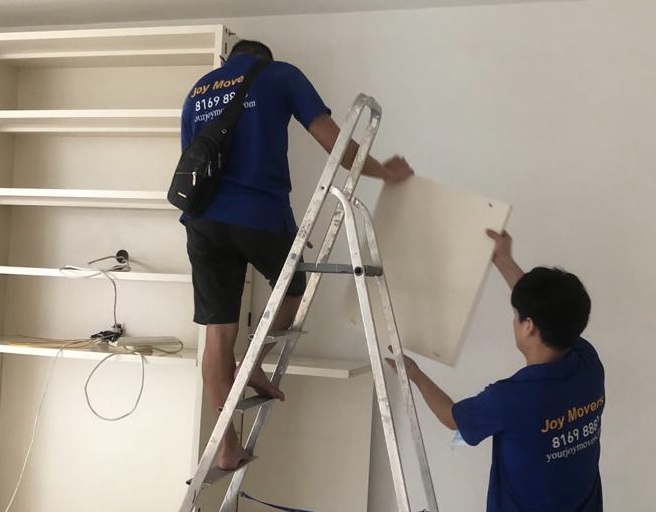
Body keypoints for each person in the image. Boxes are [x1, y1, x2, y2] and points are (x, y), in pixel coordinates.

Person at [181, 40, 414, 470]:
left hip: (203, 222)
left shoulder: (199, 90)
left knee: (217, 335)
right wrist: (386, 172)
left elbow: (192, 162)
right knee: (294, 287)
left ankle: (226, 447)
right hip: (259, 214)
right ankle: (256, 361)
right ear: (262, 58)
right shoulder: (280, 74)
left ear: (228, 60)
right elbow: (338, 145)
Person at [388, 230, 604, 511]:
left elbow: (451, 418)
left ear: (528, 326)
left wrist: (414, 373)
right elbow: (550, 312)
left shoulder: (510, 399)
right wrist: (503, 261)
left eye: (516, 315)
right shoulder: (588, 364)